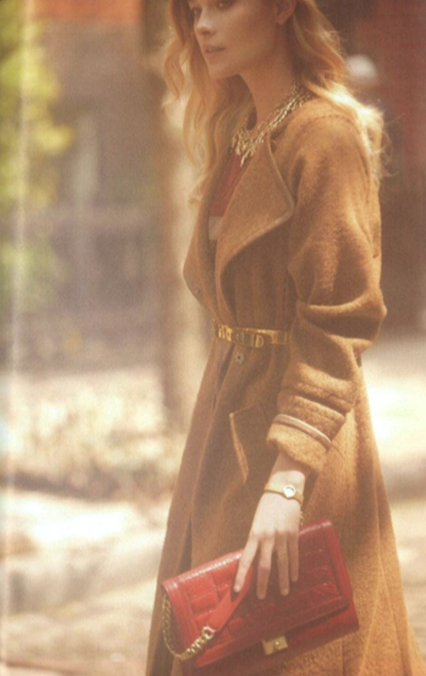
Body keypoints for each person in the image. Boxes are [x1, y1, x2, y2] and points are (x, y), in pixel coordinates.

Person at [146, 1, 426, 675]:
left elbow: (340, 318)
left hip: (297, 442)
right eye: (195, 8)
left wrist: (289, 481)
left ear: (279, 8)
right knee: (212, 636)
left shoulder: (325, 136)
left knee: (286, 649)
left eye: (223, 4)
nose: (203, 24)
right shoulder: (241, 131)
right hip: (225, 429)